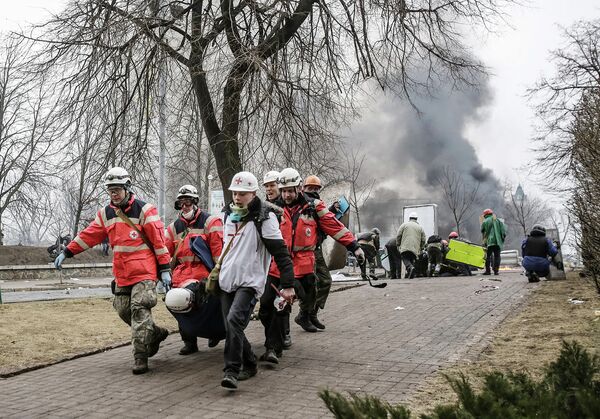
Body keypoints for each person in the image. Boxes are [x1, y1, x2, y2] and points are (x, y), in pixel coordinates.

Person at [54, 167, 171, 375]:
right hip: (122, 274)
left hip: (144, 272)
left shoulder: (145, 211)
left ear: (127, 188)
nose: (113, 194)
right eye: (110, 190)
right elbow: (89, 235)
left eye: (117, 189)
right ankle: (155, 333)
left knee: (139, 309)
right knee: (123, 310)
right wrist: (68, 251)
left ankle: (140, 357)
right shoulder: (106, 214)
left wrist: (164, 269)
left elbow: (159, 243)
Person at [263, 168, 364, 352]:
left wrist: (354, 246)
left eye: (290, 190)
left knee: (309, 292)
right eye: (283, 190)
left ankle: (304, 317)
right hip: (281, 263)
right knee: (278, 300)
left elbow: (334, 226)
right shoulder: (273, 209)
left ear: (299, 188)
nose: (286, 195)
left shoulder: (313, 207)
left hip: (304, 265)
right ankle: (282, 335)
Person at [218, 171, 295, 390]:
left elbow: (281, 254)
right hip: (226, 280)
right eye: (235, 193)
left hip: (250, 282)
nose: (237, 197)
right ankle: (250, 363)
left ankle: (231, 371)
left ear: (253, 193)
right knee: (230, 326)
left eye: (242, 193)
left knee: (234, 321)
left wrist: (288, 285)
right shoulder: (227, 214)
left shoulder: (265, 217)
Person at [165, 184, 224, 355]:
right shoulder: (173, 228)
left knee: (207, 307)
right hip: (180, 277)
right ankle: (189, 341)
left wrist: (218, 275)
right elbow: (164, 253)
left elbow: (217, 253)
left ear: (195, 202)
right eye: (181, 203)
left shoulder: (211, 222)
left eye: (188, 202)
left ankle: (215, 332)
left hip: (203, 275)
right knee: (177, 305)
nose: (185, 206)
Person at [261, 170, 293, 350]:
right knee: (266, 304)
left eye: (272, 185)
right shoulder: (263, 206)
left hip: (283, 261)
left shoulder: (285, 208)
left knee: (281, 301)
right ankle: (274, 335)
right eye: (266, 186)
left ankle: (283, 335)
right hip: (267, 262)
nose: (269, 189)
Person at [301, 175, 334, 330]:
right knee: (310, 284)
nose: (313, 191)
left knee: (326, 281)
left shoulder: (317, 205)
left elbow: (320, 223)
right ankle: (304, 315)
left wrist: (331, 210)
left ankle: (312, 314)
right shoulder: (303, 203)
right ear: (303, 188)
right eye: (310, 188)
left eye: (316, 188)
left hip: (316, 248)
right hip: (305, 250)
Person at [396, 212, 426, 279]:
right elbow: (423, 239)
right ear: (416, 219)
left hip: (405, 246)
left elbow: (398, 235)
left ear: (409, 218)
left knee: (405, 258)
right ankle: (411, 273)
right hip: (415, 248)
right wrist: (422, 247)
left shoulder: (404, 225)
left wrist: (398, 244)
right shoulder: (420, 227)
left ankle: (410, 268)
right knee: (412, 259)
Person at [481, 208, 507, 275]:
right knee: (497, 256)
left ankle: (488, 271)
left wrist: (484, 241)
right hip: (498, 242)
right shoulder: (498, 220)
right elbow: (504, 231)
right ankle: (496, 271)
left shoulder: (485, 221)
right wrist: (501, 239)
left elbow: (482, 231)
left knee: (487, 256)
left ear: (485, 215)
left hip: (489, 242)